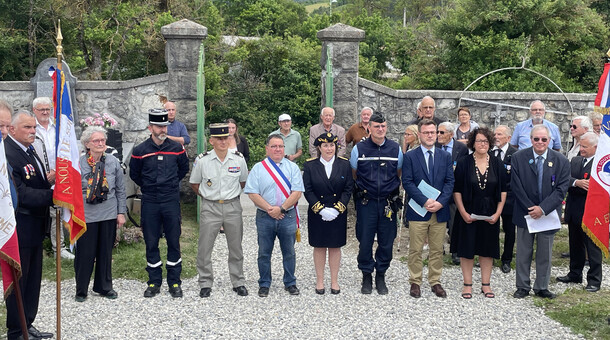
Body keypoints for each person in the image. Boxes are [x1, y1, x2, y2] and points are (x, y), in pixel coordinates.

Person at [129, 108, 189, 298]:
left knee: (173, 240)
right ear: (150, 127)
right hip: (151, 200)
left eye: (164, 125)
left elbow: (183, 170)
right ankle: (154, 281)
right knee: (151, 240)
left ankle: (174, 282)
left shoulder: (177, 148)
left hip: (170, 198)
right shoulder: (140, 150)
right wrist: (150, 186)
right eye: (158, 126)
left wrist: (169, 186)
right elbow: (135, 174)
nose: (162, 129)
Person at [5, 110, 54, 340]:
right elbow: (20, 194)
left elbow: (38, 180)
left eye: (34, 127)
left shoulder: (30, 149)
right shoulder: (8, 153)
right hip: (21, 226)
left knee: (33, 280)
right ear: (12, 129)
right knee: (20, 281)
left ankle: (28, 324)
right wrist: (52, 197)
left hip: (36, 224)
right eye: (27, 127)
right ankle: (17, 330)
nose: (33, 131)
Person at [189, 123, 249, 298]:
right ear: (211, 140)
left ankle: (238, 282)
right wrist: (207, 197)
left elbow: (243, 182)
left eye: (226, 138)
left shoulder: (238, 159)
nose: (223, 142)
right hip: (210, 206)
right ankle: (205, 282)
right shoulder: (202, 160)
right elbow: (194, 183)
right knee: (205, 247)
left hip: (232, 206)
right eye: (219, 139)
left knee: (236, 247)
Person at [511, 125, 570, 299]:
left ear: (549, 140)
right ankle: (522, 286)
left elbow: (561, 189)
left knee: (545, 252)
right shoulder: (518, 158)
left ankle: (542, 286)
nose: (540, 142)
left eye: (544, 139)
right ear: (531, 139)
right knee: (523, 251)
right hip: (525, 212)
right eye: (536, 139)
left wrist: (542, 209)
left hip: (548, 214)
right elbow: (516, 185)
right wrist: (531, 209)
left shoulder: (561, 160)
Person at [244, 135, 304, 297]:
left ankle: (290, 282)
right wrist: (271, 209)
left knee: (289, 252)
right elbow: (252, 193)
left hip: (288, 215)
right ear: (267, 149)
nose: (278, 149)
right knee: (264, 252)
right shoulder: (258, 168)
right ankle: (264, 283)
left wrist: (282, 209)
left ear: (284, 148)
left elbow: (297, 192)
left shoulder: (292, 167)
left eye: (281, 146)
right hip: (265, 216)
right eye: (274, 146)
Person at [350, 113, 403, 295]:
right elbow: (354, 173)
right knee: (365, 240)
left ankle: (381, 274)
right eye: (376, 126)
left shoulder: (395, 149)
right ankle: (366, 274)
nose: (380, 130)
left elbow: (399, 172)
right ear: (369, 128)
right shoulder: (359, 149)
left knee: (386, 241)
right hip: (367, 203)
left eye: (383, 126)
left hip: (388, 203)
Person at [452, 127, 507, 299]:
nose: (482, 144)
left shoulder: (497, 163)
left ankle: (486, 284)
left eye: (485, 141)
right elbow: (457, 190)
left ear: (489, 142)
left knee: (487, 249)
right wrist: (462, 212)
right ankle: (467, 284)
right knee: (467, 249)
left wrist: (498, 213)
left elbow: (503, 190)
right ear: (472, 143)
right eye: (478, 141)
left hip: (490, 212)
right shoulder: (463, 162)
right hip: (468, 211)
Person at [403, 119, 454, 299]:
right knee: (415, 249)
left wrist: (440, 202)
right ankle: (415, 281)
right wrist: (424, 201)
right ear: (420, 135)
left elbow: (450, 182)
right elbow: (407, 182)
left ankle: (435, 281)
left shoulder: (445, 156)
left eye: (434, 132)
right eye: (426, 132)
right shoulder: (410, 156)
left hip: (440, 210)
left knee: (436, 248)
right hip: (418, 209)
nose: (431, 135)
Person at [75, 127, 126, 302]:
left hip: (108, 213)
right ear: (87, 144)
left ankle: (104, 287)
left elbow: (120, 189)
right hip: (86, 215)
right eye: (96, 141)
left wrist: (121, 212)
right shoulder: (79, 163)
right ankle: (81, 289)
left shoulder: (113, 162)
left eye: (103, 140)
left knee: (105, 252)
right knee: (85, 254)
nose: (101, 143)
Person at [303, 132, 354, 295]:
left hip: (337, 212)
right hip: (318, 212)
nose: (329, 148)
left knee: (335, 246)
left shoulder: (344, 164)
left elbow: (348, 188)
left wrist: (337, 208)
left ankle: (334, 280)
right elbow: (308, 190)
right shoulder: (310, 165)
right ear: (319, 147)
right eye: (325, 145)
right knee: (319, 246)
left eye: (332, 145)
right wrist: (320, 209)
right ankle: (320, 280)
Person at [556, 132, 602, 292]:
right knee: (575, 245)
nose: (581, 149)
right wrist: (576, 182)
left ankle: (594, 280)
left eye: (585, 147)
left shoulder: (601, 164)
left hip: (591, 212)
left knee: (592, 248)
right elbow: (563, 178)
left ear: (596, 147)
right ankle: (575, 273)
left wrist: (582, 185)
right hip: (574, 209)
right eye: (580, 146)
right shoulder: (575, 160)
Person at [31, 97, 73, 260]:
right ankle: (38, 246)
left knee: (57, 211)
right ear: (34, 110)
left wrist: (57, 171)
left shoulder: (57, 128)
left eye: (48, 109)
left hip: (58, 174)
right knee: (38, 211)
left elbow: (64, 149)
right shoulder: (32, 128)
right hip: (36, 175)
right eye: (41, 109)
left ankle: (59, 248)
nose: (45, 112)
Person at [436, 121, 468, 264]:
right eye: (438, 132)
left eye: (441, 132)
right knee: (436, 222)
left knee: (455, 222)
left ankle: (455, 251)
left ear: (451, 134)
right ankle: (437, 249)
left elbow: (463, 169)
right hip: (437, 190)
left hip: (455, 190)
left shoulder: (461, 148)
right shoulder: (435, 146)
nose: (438, 135)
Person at [491, 125, 518, 273]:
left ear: (508, 138)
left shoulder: (515, 154)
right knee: (491, 228)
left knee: (509, 229)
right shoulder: (489, 152)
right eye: (495, 134)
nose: (496, 137)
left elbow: (515, 177)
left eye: (499, 134)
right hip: (492, 198)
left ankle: (506, 259)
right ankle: (490, 255)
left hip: (509, 197)